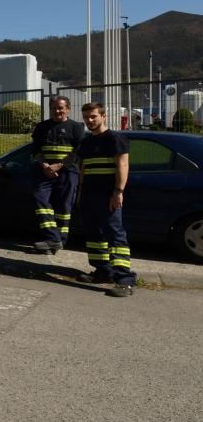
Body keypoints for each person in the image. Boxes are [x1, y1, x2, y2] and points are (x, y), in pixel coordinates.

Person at [75, 102, 135, 297]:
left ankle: (124, 280)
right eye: (86, 117)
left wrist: (118, 191)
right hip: (89, 196)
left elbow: (123, 165)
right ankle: (102, 271)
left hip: (108, 195)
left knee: (115, 234)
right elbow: (83, 170)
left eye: (93, 116)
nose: (89, 120)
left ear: (103, 116)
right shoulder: (86, 142)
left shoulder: (115, 139)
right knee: (94, 235)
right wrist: (80, 194)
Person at [31, 96, 86, 253]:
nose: (57, 111)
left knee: (64, 207)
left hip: (68, 172)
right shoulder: (42, 127)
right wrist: (45, 165)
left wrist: (59, 165)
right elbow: (35, 150)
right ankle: (53, 239)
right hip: (45, 172)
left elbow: (79, 152)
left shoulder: (76, 127)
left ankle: (57, 244)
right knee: (40, 200)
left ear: (68, 109)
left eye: (60, 108)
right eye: (54, 108)